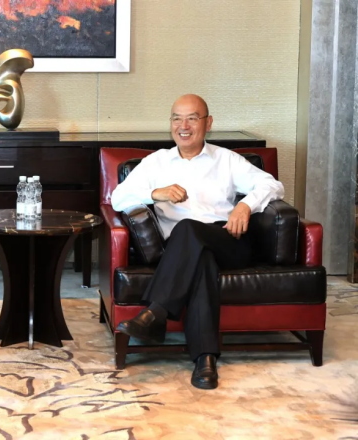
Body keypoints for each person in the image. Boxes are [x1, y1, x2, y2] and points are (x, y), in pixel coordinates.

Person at [111, 94, 284, 390]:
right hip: (182, 251)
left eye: (192, 118)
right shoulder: (156, 163)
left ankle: (155, 313)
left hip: (227, 240)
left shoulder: (226, 159)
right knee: (199, 256)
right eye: (177, 118)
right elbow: (117, 198)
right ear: (170, 124)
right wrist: (155, 193)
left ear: (208, 123)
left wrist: (246, 205)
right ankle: (205, 360)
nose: (184, 126)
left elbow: (272, 185)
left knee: (189, 229)